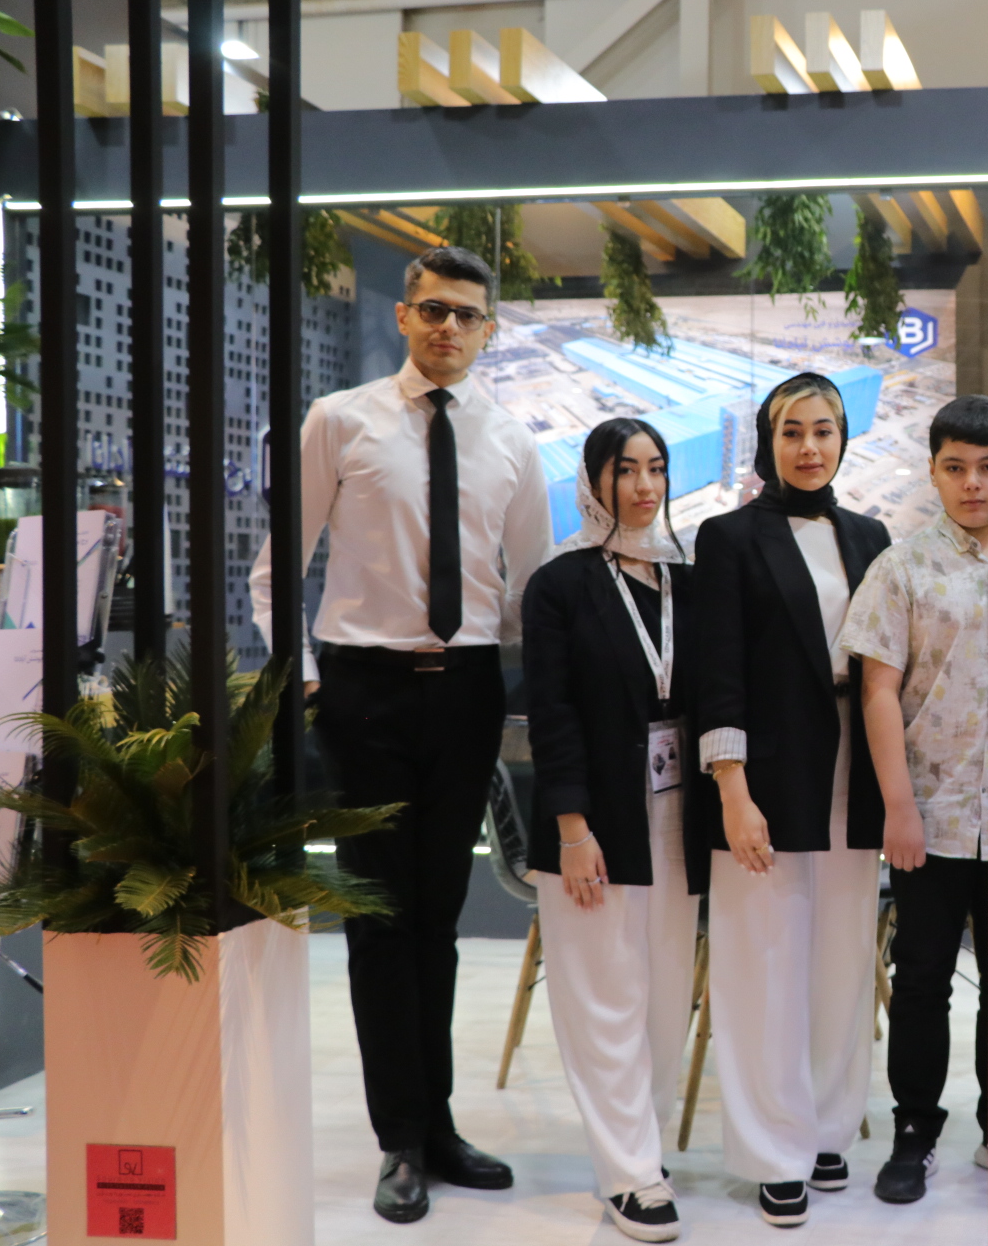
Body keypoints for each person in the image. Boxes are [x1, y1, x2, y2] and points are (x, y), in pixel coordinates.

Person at [247, 245, 551, 1223]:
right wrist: (305, 679)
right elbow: (275, 568)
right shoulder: (340, 420)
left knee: (439, 916)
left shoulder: (512, 438)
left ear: (488, 329)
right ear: (404, 316)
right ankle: (401, 1139)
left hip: (465, 691)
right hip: (364, 691)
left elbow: (534, 585)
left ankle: (441, 1122)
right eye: (434, 309)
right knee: (380, 920)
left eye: (467, 314)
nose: (449, 327)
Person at [838, 396, 988, 1204]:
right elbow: (877, 692)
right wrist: (898, 807)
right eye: (956, 467)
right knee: (923, 981)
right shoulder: (900, 569)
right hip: (929, 815)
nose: (973, 483)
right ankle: (915, 1133)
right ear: (932, 471)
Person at [695, 373, 893, 1229]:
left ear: (843, 439)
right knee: (763, 964)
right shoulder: (729, 537)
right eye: (792, 431)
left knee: (843, 959)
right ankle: (774, 1152)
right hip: (766, 776)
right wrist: (732, 790)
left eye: (824, 430)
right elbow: (717, 672)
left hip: (856, 765)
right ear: (766, 441)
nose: (810, 447)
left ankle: (827, 1130)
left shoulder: (871, 534)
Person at [522, 418, 715, 1242]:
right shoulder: (558, 584)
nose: (644, 486)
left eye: (656, 469)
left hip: (676, 812)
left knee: (666, 997)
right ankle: (628, 1173)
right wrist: (573, 827)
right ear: (593, 480)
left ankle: (644, 1149)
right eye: (626, 470)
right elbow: (552, 714)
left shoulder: (687, 577)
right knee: (604, 997)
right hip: (593, 818)